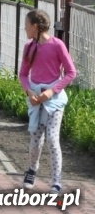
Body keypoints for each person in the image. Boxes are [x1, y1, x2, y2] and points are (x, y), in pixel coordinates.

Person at [19, 10, 77, 194]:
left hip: (54, 101)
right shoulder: (29, 47)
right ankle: (32, 170)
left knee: (52, 139)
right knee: (36, 140)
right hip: (36, 99)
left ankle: (56, 180)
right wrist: (29, 92)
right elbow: (23, 74)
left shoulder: (57, 45)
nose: (25, 28)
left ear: (35, 26)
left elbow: (71, 72)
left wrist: (52, 91)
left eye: (27, 24)